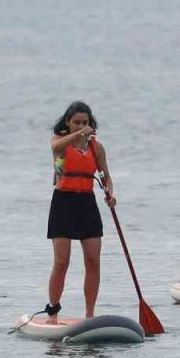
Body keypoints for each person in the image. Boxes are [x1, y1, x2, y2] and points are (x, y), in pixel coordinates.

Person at [47, 101, 114, 320]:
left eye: (85, 123)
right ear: (68, 122)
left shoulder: (97, 148)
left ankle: (90, 315)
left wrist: (110, 195)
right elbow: (54, 148)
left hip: (87, 203)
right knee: (62, 261)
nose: (80, 126)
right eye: (76, 123)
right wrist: (77, 135)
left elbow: (106, 176)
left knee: (93, 261)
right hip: (63, 203)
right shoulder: (60, 142)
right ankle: (53, 310)